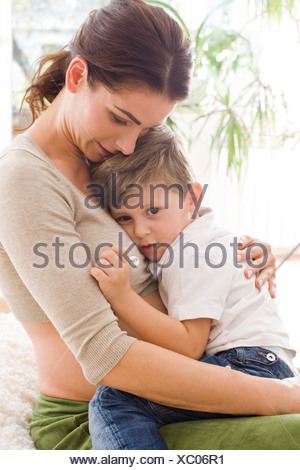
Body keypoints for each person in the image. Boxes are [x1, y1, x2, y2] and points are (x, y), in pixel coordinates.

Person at [0, 0, 299, 451]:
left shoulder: (107, 155)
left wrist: (235, 250)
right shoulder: (23, 178)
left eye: (144, 128)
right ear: (77, 77)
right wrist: (282, 395)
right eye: (120, 118)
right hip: (104, 417)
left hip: (180, 388)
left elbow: (177, 219)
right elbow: (105, 356)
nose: (126, 142)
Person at [88, 125, 298, 449]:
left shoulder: (191, 251)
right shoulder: (198, 239)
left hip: (252, 365)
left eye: (152, 210)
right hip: (263, 361)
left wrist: (121, 297)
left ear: (191, 198)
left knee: (114, 400)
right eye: (124, 218)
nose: (141, 230)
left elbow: (189, 347)